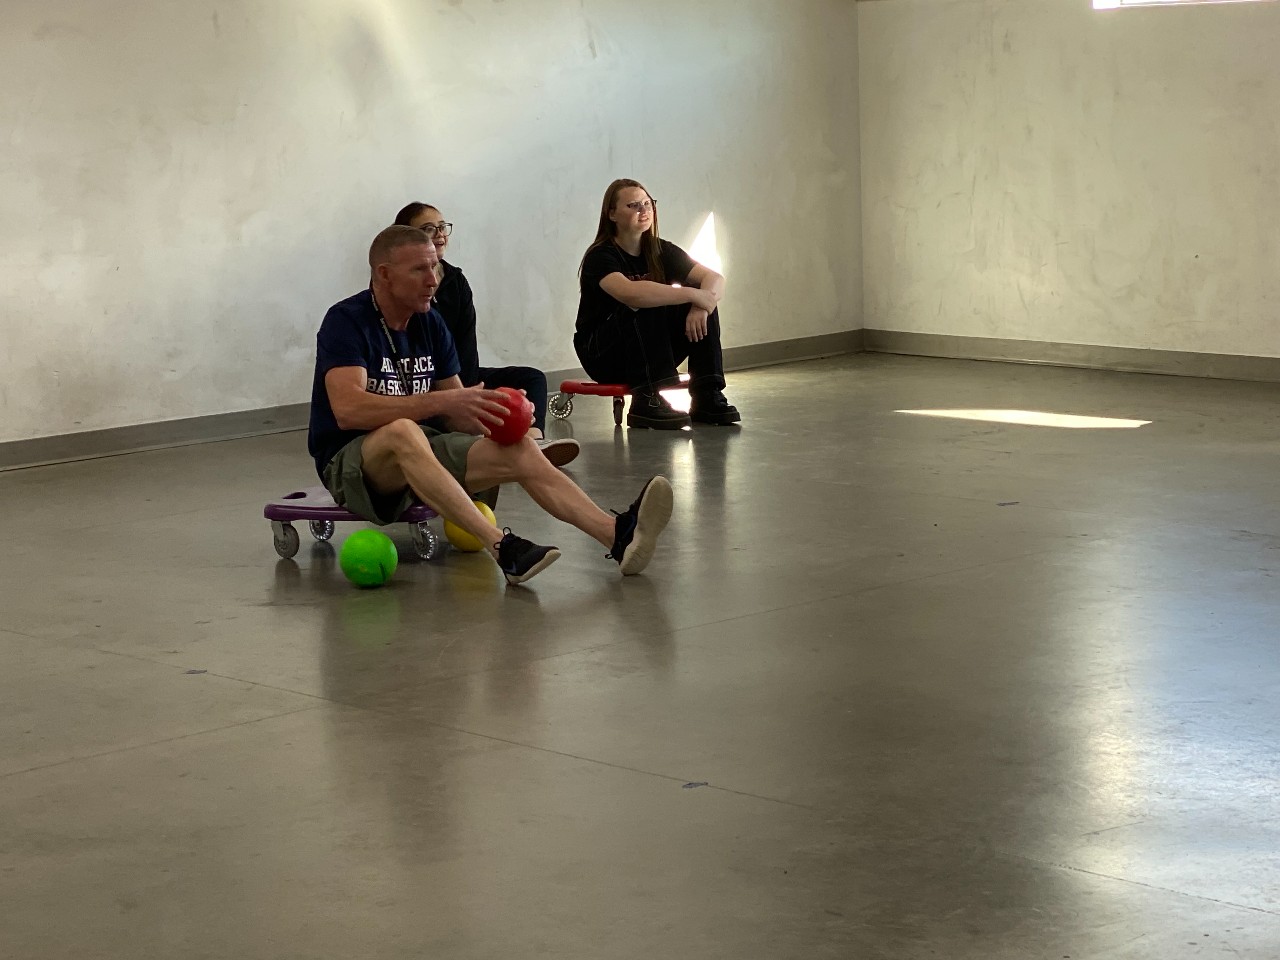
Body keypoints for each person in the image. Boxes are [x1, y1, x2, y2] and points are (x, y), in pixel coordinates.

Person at [307, 225, 673, 584]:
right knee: (402, 431)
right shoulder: (347, 321)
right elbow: (348, 410)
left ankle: (617, 535)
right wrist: (446, 400)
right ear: (384, 275)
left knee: (518, 448)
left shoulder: (430, 323)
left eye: (435, 267)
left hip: (421, 449)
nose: (433, 279)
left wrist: (502, 414)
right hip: (352, 464)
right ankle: (501, 547)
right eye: (419, 268)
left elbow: (458, 414)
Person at [393, 201, 578, 468]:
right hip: (424, 386)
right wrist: (457, 398)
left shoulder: (455, 280)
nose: (440, 234)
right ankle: (500, 449)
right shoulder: (399, 286)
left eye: (443, 227)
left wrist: (470, 392)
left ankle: (534, 443)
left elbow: (467, 345)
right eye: (428, 228)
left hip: (462, 376)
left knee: (532, 378)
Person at [575, 179, 740, 430]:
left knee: (703, 300)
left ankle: (707, 394)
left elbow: (714, 279)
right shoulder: (600, 256)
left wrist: (700, 305)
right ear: (612, 214)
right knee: (645, 300)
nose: (644, 210)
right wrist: (693, 295)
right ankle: (646, 399)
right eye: (633, 205)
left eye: (647, 203)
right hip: (604, 353)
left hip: (650, 350)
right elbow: (631, 294)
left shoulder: (660, 250)